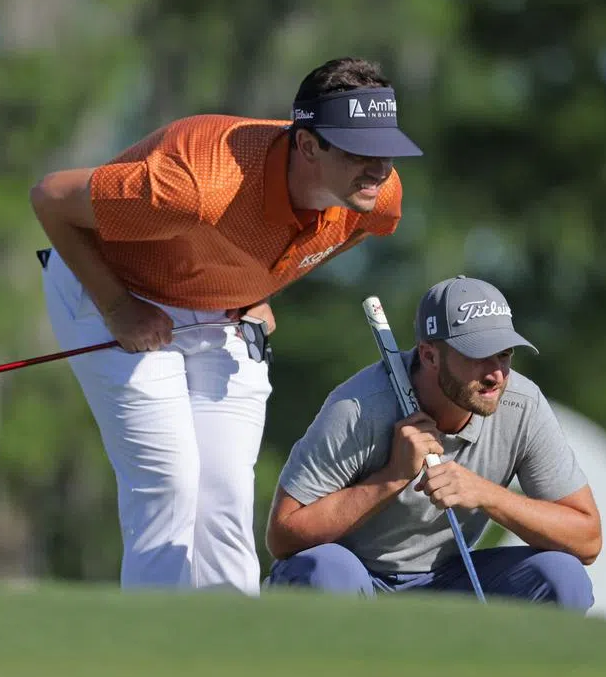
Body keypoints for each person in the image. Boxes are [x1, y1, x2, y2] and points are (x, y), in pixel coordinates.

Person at [29, 57, 422, 594]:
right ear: (308, 146)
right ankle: (155, 658)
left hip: (219, 311)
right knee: (169, 484)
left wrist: (254, 288)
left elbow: (296, 242)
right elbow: (50, 198)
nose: (379, 170)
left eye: (387, 152)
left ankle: (229, 659)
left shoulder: (376, 199)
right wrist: (118, 308)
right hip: (110, 287)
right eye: (360, 152)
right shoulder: (197, 184)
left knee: (225, 495)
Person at [265, 276, 602, 609]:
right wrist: (392, 477)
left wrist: (486, 494)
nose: (495, 374)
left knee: (563, 578)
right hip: (358, 579)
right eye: (478, 355)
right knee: (327, 571)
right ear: (429, 356)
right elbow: (283, 535)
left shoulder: (522, 404)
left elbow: (587, 539)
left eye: (504, 354)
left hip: (447, 581)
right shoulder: (359, 407)